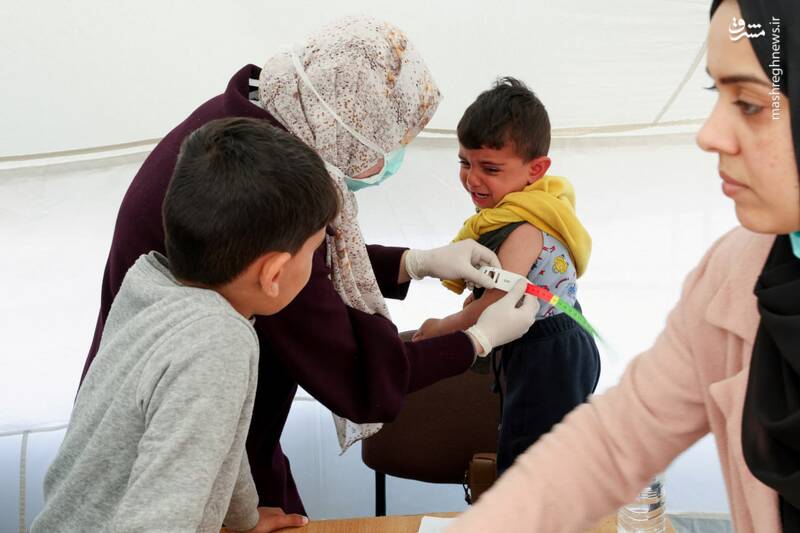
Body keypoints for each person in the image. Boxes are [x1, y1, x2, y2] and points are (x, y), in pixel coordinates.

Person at [80, 16, 535, 516]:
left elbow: (310, 268)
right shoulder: (260, 214)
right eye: (389, 142)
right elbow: (354, 376)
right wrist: (477, 338)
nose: (391, 157)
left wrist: (413, 263)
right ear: (349, 127)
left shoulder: (242, 131)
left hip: (184, 452)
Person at [447, 0, 800, 531]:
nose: (708, 134)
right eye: (716, 94)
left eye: (749, 103)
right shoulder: (732, 273)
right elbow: (614, 441)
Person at [32, 118, 338, 532]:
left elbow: (224, 438)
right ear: (274, 274)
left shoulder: (150, 282)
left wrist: (245, 518)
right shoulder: (219, 342)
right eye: (314, 251)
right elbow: (157, 522)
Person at [412, 77, 600, 474]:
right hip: (550, 342)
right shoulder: (524, 208)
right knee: (537, 451)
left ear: (536, 169)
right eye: (465, 162)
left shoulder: (523, 229)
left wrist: (443, 327)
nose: (472, 178)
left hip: (547, 354)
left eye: (490, 168)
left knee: (528, 460)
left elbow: (496, 304)